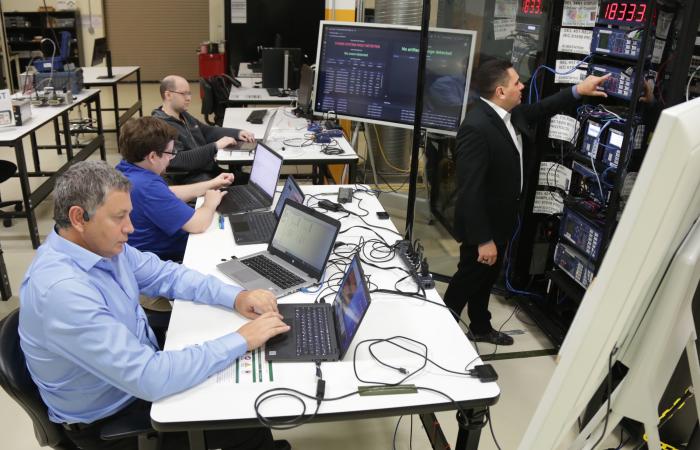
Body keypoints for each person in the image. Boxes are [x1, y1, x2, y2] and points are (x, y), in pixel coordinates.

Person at [19, 160, 291, 450]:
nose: (130, 228)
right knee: (241, 418)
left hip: (131, 374)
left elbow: (165, 274)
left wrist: (236, 297)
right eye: (119, 217)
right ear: (78, 218)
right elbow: (150, 378)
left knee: (234, 378)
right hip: (112, 418)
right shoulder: (63, 292)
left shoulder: (98, 245)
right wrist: (241, 339)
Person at [444, 59, 610, 345]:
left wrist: (579, 89)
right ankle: (438, 335)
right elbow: (470, 191)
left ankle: (481, 327)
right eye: (516, 83)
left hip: (502, 221)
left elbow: (543, 108)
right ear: (500, 91)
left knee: (486, 278)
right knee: (466, 281)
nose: (522, 86)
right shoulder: (477, 127)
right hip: (482, 226)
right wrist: (484, 240)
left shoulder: (511, 115)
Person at [116, 117, 231, 263]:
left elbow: (167, 194)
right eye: (169, 153)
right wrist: (209, 203)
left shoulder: (127, 168)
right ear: (152, 157)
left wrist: (211, 184)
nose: (171, 159)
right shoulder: (147, 186)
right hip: (166, 259)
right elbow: (198, 224)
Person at [152, 74, 256, 184]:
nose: (189, 98)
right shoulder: (160, 126)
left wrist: (237, 133)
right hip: (194, 180)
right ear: (168, 95)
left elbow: (206, 131)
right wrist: (215, 146)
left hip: (209, 172)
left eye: (189, 93)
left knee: (255, 182)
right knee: (251, 185)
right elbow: (178, 160)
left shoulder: (182, 115)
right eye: (183, 94)